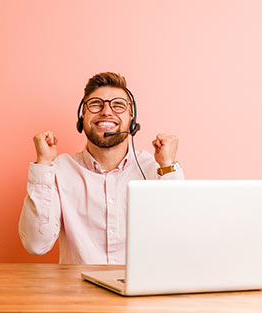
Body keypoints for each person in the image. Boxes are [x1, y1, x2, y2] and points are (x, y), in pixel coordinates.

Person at [19, 72, 184, 264]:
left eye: (118, 105)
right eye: (96, 104)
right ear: (82, 117)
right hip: (79, 292)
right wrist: (43, 165)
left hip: (142, 292)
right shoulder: (59, 170)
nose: (106, 111)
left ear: (132, 120)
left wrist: (168, 167)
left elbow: (178, 239)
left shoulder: (157, 169)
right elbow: (35, 244)